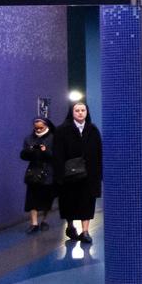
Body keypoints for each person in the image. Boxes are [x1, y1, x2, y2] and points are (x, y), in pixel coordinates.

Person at [55, 101, 103, 244]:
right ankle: (70, 226)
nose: (80, 113)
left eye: (83, 110)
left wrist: (99, 174)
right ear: (72, 112)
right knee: (69, 202)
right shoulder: (62, 130)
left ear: (87, 112)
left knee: (87, 202)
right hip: (69, 176)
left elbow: (99, 153)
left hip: (89, 175)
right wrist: (59, 175)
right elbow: (57, 154)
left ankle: (85, 231)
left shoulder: (93, 130)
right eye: (77, 110)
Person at [20, 116, 55, 234]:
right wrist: (28, 151)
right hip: (34, 171)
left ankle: (44, 220)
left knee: (47, 199)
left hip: (48, 172)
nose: (39, 130)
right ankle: (34, 223)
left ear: (46, 126)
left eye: (41, 128)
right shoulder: (29, 139)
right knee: (32, 198)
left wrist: (46, 151)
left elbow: (56, 156)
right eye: (36, 128)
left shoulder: (53, 138)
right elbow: (23, 156)